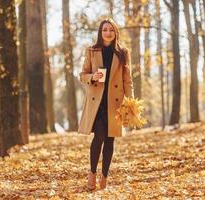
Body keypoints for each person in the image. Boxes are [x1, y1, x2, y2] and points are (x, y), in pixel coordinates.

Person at [78, 18, 134, 190]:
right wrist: (92, 77)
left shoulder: (122, 53)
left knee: (110, 140)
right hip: (97, 102)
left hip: (115, 102)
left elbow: (127, 80)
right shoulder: (92, 51)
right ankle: (92, 173)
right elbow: (82, 75)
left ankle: (105, 177)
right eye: (104, 30)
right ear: (100, 32)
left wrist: (130, 101)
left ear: (115, 32)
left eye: (111, 29)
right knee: (99, 136)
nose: (108, 32)